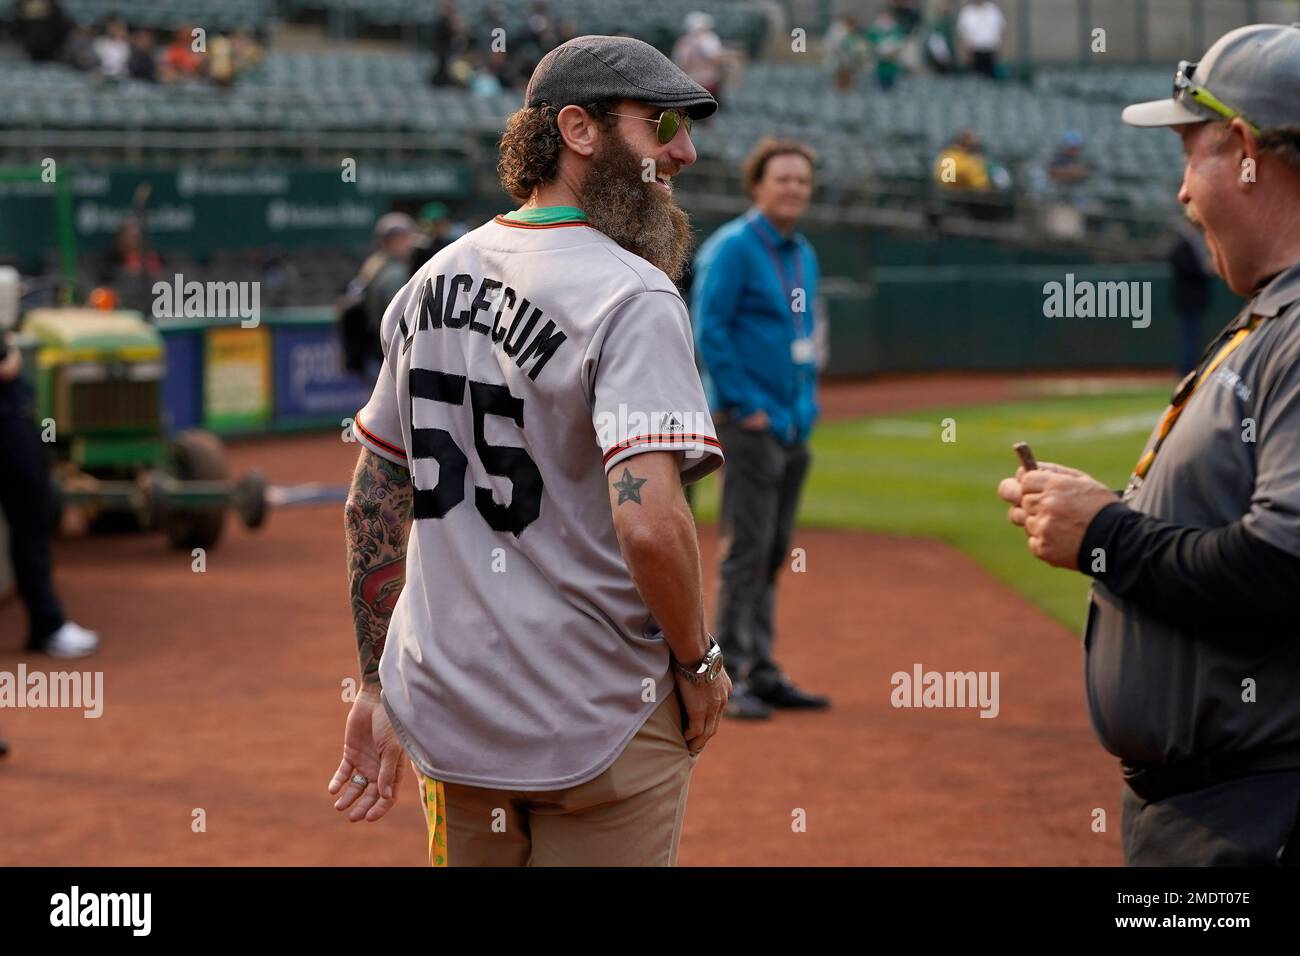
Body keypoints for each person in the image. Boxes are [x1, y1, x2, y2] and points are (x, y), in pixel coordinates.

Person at [329, 35, 729, 866]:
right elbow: (651, 527)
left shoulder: (428, 281)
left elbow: (372, 500)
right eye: (662, 126)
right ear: (578, 128)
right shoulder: (634, 294)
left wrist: (374, 683)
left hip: (449, 716)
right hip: (595, 716)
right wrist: (699, 663)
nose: (685, 151)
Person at [997, 23, 1300, 866]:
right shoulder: (1273, 315)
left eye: (1189, 155)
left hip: (1256, 816)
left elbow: (1284, 568)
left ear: (1243, 150)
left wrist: (1102, 535)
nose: (1180, 195)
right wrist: (1098, 515)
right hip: (1217, 811)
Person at [693, 138, 830, 720]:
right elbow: (709, 332)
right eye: (783, 179)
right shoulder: (732, 249)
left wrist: (805, 406)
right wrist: (746, 406)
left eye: (802, 180)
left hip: (793, 424)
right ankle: (732, 674)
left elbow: (808, 334)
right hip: (749, 425)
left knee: (772, 550)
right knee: (744, 551)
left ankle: (762, 665)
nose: (794, 188)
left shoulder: (803, 253)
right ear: (757, 186)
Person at [0, 331, 100, 658]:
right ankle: (48, 627)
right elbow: (7, 366)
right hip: (8, 424)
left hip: (13, 418)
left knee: (32, 521)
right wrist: (11, 350)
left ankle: (48, 626)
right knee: (31, 520)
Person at [1170, 216, 1214, 376]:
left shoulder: (1195, 244)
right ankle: (1186, 371)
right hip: (1188, 299)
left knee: (1193, 336)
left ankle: (1190, 369)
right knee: (1190, 337)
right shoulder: (1182, 245)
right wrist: (1204, 270)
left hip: (1194, 300)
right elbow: (1184, 267)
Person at [673, 11, 725, 102]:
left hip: (699, 82)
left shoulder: (686, 41)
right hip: (698, 82)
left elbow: (679, 62)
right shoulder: (707, 40)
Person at [956, 0, 1005, 78]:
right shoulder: (967, 12)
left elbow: (1001, 31)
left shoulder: (993, 10)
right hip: (974, 52)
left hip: (990, 51)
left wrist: (999, 49)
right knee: (975, 77)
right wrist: (966, 51)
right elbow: (962, 34)